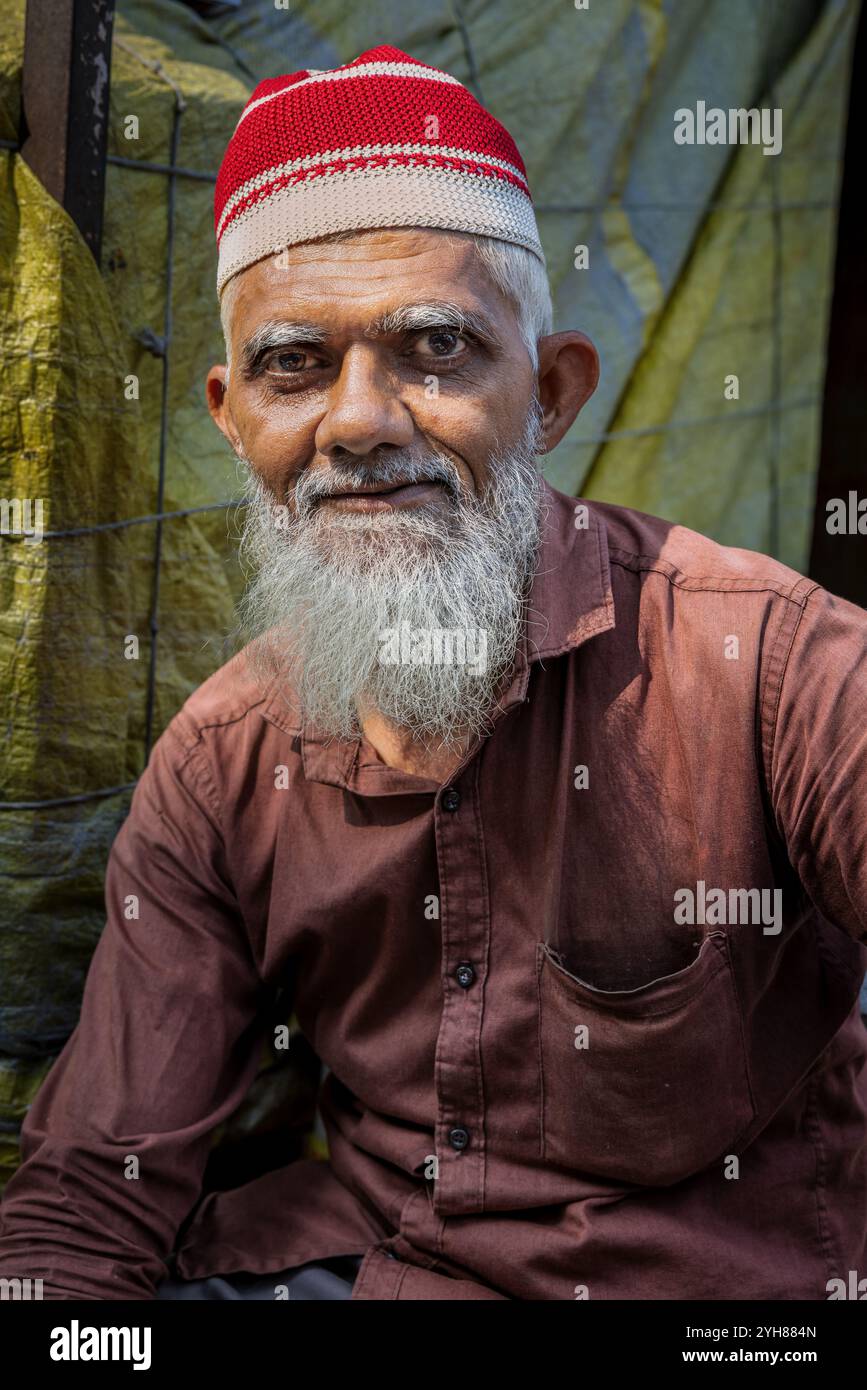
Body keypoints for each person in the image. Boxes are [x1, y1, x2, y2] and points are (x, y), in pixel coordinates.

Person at [0, 44, 864, 1302]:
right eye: (296, 364)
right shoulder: (220, 764)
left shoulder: (772, 670)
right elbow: (87, 1205)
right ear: (233, 417)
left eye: (437, 347)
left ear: (552, 392)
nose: (360, 421)